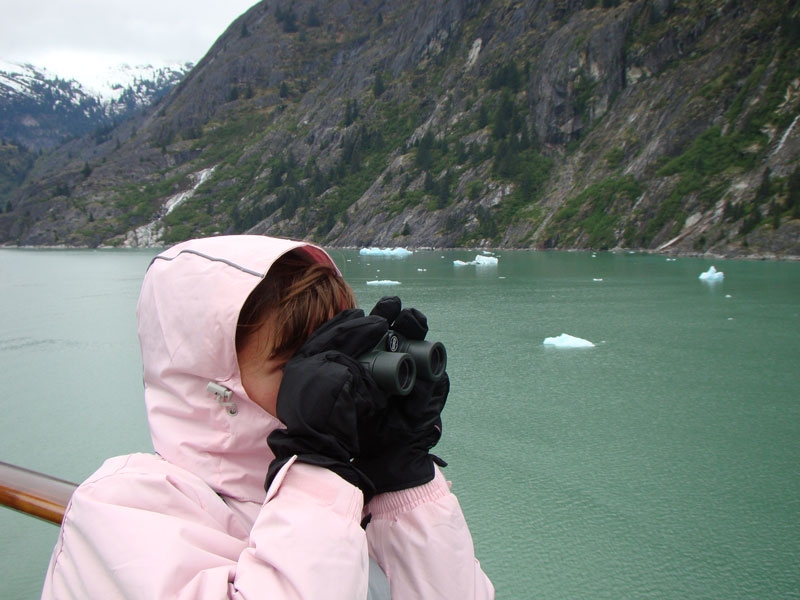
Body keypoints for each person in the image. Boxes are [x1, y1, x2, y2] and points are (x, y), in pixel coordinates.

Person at [42, 235, 494, 599]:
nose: (339, 378)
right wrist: (315, 461)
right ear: (216, 386)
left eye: (341, 351)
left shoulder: (349, 497)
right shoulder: (120, 512)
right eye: (299, 363)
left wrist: (403, 478)